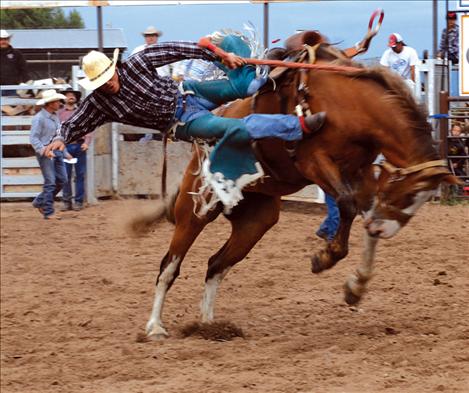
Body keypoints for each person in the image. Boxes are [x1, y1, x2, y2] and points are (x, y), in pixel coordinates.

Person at [44, 33, 326, 211]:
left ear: (113, 68)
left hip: (191, 91)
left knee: (247, 89)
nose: (107, 85)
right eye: (101, 83)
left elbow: (177, 50)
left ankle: (258, 75)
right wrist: (59, 137)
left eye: (108, 77)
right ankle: (297, 126)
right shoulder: (99, 103)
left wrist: (220, 54)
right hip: (184, 121)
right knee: (235, 128)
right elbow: (76, 122)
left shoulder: (137, 63)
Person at [30, 89, 68, 220]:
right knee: (51, 181)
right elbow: (34, 139)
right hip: (45, 152)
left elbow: (58, 136)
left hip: (56, 151)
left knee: (62, 179)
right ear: (50, 103)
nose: (59, 103)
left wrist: (64, 151)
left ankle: (39, 202)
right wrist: (45, 150)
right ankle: (48, 211)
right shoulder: (39, 119)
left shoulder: (54, 117)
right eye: (57, 101)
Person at [58, 87, 92, 211]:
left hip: (79, 146)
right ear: (64, 98)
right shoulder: (59, 114)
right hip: (65, 147)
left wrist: (87, 142)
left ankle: (78, 202)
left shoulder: (81, 112)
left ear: (76, 98)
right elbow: (57, 130)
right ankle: (67, 202)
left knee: (80, 175)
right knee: (65, 176)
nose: (70, 96)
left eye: (72, 95)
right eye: (68, 95)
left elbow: (88, 127)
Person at [0, 29, 29, 96]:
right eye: (1, 39)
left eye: (5, 39)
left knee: (13, 105)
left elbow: (24, 69)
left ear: (9, 40)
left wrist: (26, 83)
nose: (3, 41)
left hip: (14, 87)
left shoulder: (16, 53)